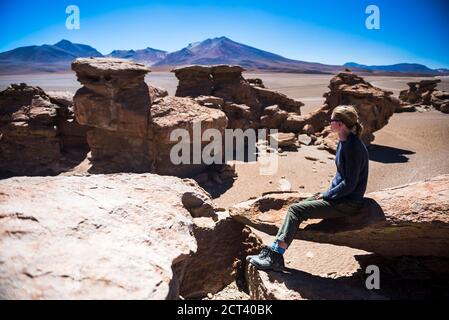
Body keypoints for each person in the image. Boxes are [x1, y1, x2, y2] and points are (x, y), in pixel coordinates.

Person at [247, 105, 369, 271]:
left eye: (332, 120)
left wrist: (328, 196)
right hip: (341, 197)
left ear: (340, 124)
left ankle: (275, 255)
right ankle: (273, 250)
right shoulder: (344, 141)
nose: (329, 123)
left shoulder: (353, 146)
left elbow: (349, 184)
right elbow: (341, 177)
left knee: (295, 211)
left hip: (347, 203)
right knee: (299, 205)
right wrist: (325, 193)